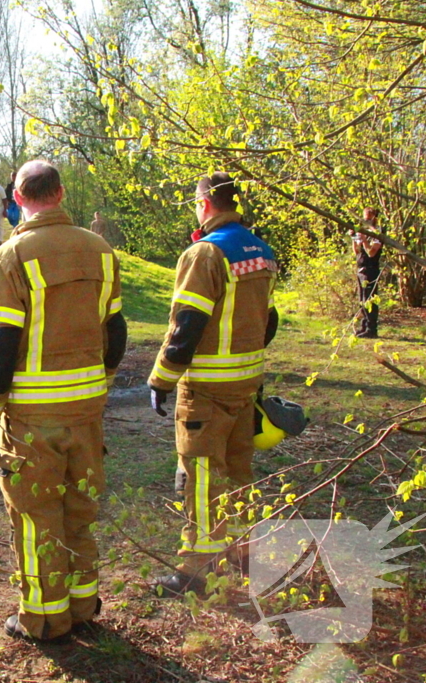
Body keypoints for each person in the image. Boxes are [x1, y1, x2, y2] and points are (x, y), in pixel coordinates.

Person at [0, 160, 128, 641]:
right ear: (59, 194)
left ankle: (43, 619)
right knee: (80, 510)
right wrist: (97, 383)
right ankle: (83, 606)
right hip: (87, 411)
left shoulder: (9, 259)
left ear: (17, 198)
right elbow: (116, 333)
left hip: (32, 418)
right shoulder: (101, 251)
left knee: (37, 516)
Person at [147, 172, 279, 596]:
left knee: (201, 472)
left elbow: (187, 325)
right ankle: (242, 553)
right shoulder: (262, 250)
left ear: (205, 203)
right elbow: (268, 320)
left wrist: (161, 380)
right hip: (246, 381)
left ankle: (197, 571)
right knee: (238, 468)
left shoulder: (205, 254)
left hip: (207, 385)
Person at [353, 208, 383, 338]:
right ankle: (364, 326)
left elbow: (371, 253)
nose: (366, 220)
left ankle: (372, 329)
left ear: (374, 217)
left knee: (369, 299)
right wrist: (354, 238)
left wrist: (365, 239)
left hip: (371, 269)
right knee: (362, 299)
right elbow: (357, 252)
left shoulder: (378, 232)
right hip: (361, 268)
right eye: (364, 218)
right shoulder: (363, 232)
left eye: (368, 218)